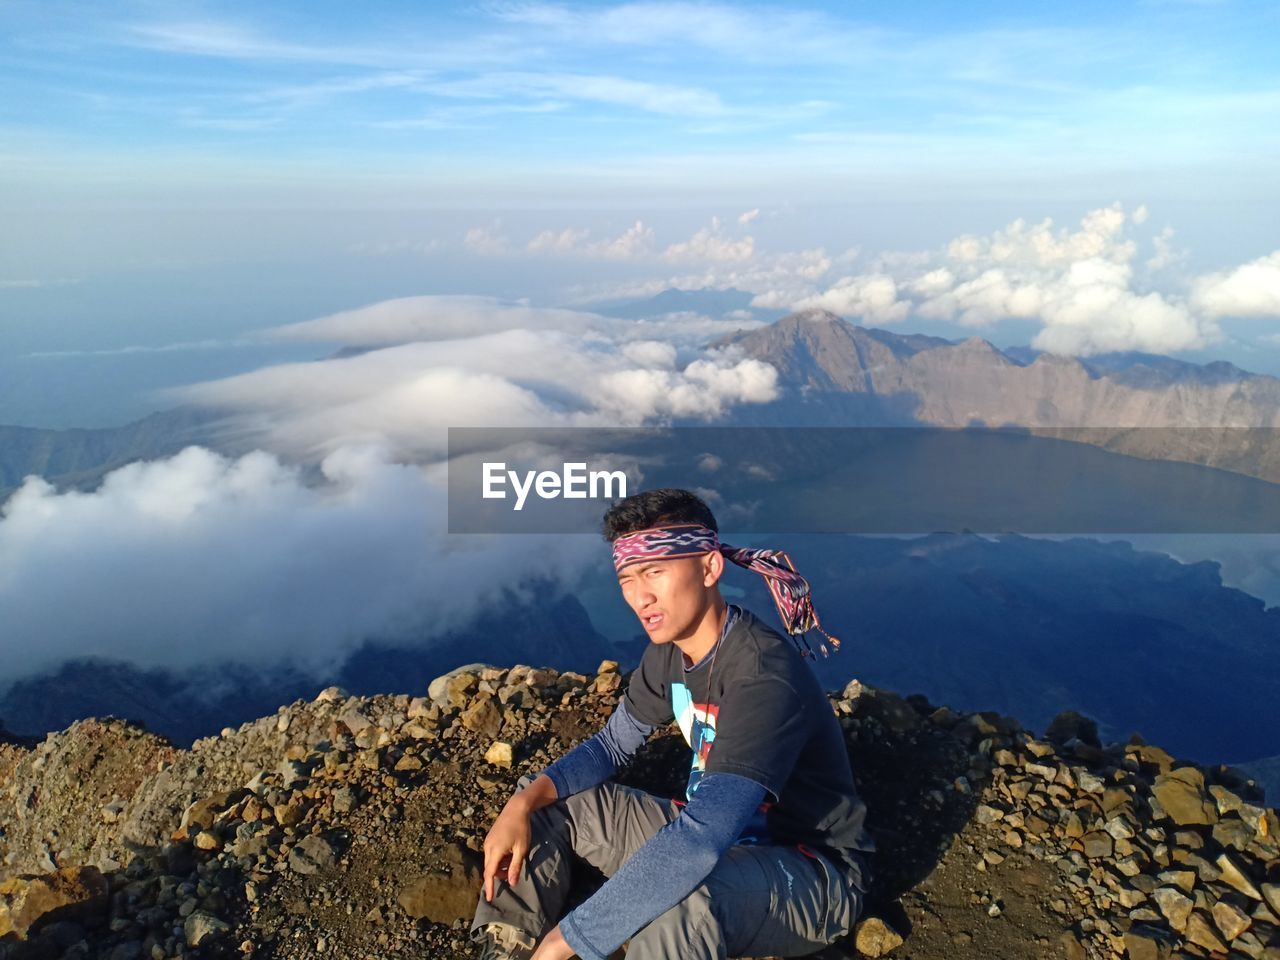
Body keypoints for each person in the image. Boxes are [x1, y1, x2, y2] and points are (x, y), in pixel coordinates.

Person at [470, 488, 875, 960]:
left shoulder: (763, 675)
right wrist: (521, 802)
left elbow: (703, 836)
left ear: (708, 567)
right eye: (626, 578)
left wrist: (565, 942)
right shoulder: (669, 652)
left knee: (679, 898)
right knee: (543, 801)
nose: (639, 596)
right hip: (718, 838)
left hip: (811, 871)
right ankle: (504, 948)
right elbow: (610, 748)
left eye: (654, 571)